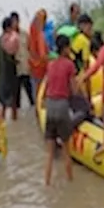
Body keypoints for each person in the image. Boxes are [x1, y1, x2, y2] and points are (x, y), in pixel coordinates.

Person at [43, 35, 78, 185]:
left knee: (50, 154)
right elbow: (74, 90)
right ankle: (70, 183)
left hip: (50, 107)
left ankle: (47, 183)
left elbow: (47, 87)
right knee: (66, 151)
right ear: (65, 48)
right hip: (62, 107)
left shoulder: (50, 64)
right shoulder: (69, 65)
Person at [0, 17, 21, 120]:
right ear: (8, 27)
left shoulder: (1, 38)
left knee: (5, 103)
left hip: (4, 73)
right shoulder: (7, 38)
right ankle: (13, 120)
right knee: (11, 100)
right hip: (9, 73)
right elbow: (11, 51)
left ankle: (4, 125)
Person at [11, 12, 34, 109]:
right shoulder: (9, 36)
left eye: (16, 21)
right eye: (13, 22)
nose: (15, 23)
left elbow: (30, 48)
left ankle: (32, 111)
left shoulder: (25, 34)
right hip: (15, 67)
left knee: (29, 90)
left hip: (25, 66)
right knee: (16, 93)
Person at [28, 9, 51, 85]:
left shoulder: (31, 34)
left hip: (33, 68)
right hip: (41, 69)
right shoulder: (39, 35)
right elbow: (42, 55)